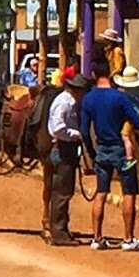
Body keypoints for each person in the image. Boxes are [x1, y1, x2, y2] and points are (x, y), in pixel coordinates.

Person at [80, 67, 139, 251]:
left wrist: (91, 153)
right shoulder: (120, 98)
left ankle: (97, 237)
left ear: (94, 75)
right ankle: (128, 239)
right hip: (120, 148)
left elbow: (84, 130)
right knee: (129, 193)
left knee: (101, 192)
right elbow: (138, 122)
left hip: (102, 149)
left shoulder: (88, 99)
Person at [45, 72, 90, 245]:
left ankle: (61, 228)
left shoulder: (66, 101)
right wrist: (75, 134)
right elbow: (57, 128)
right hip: (63, 148)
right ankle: (59, 232)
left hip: (65, 147)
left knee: (64, 189)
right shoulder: (64, 103)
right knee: (62, 191)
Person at [115, 64, 139, 187]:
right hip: (135, 116)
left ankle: (129, 157)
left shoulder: (123, 93)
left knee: (125, 136)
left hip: (128, 118)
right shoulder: (137, 92)